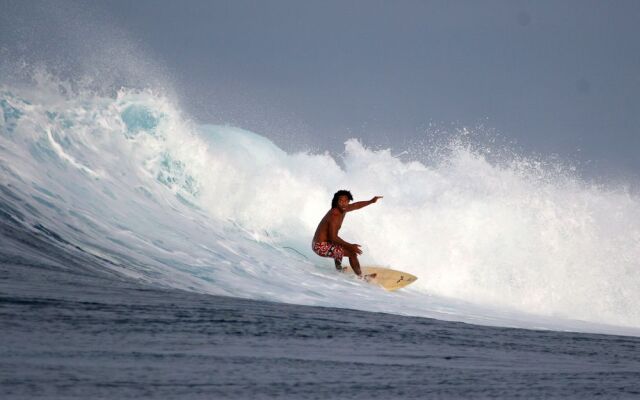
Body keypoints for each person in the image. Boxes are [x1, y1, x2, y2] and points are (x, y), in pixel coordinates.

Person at [312, 190, 383, 278]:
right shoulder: (334, 215)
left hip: (324, 242)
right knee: (351, 253)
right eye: (340, 201)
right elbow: (333, 238)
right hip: (320, 246)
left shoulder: (344, 208)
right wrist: (351, 246)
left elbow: (356, 205)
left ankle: (339, 269)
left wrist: (371, 201)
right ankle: (361, 277)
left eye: (346, 201)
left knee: (341, 246)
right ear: (336, 202)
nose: (343, 203)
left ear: (349, 201)